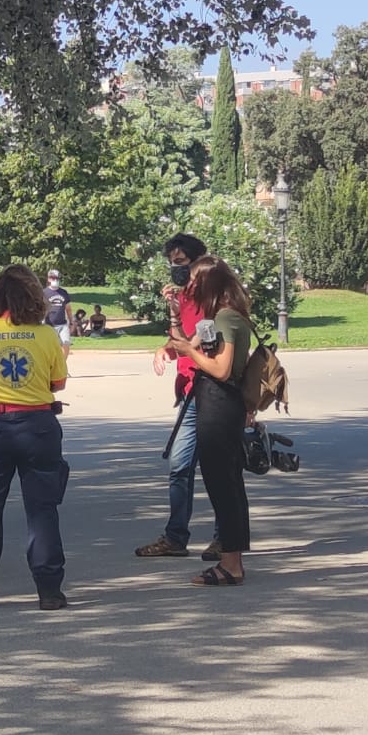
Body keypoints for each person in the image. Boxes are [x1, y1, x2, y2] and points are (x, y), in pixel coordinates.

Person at [0, 265, 71, 610]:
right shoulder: (47, 335)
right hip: (37, 426)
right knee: (42, 510)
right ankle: (49, 589)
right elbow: (58, 384)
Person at [164, 256, 254, 586]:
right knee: (224, 484)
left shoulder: (227, 317)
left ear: (209, 284)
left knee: (224, 485)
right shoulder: (214, 318)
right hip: (212, 402)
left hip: (220, 404)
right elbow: (188, 343)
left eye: (195, 281)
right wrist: (175, 315)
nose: (190, 286)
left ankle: (231, 564)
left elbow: (221, 369)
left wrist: (190, 355)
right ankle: (233, 560)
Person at [134, 232, 208, 559]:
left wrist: (178, 343)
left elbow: (206, 344)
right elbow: (178, 342)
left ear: (198, 262)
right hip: (191, 393)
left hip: (214, 391)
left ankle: (227, 540)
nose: (175, 269)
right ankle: (176, 537)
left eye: (181, 262)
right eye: (172, 263)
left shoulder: (212, 298)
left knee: (222, 470)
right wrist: (165, 348)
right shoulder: (185, 297)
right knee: (179, 466)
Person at [43, 269, 72, 345]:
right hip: (49, 325)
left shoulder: (63, 292)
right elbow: (41, 308)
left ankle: (63, 357)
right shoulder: (44, 292)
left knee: (66, 343)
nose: (55, 280)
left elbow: (68, 309)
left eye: (57, 278)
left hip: (62, 324)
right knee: (51, 345)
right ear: (49, 279)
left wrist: (71, 321)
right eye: (53, 278)